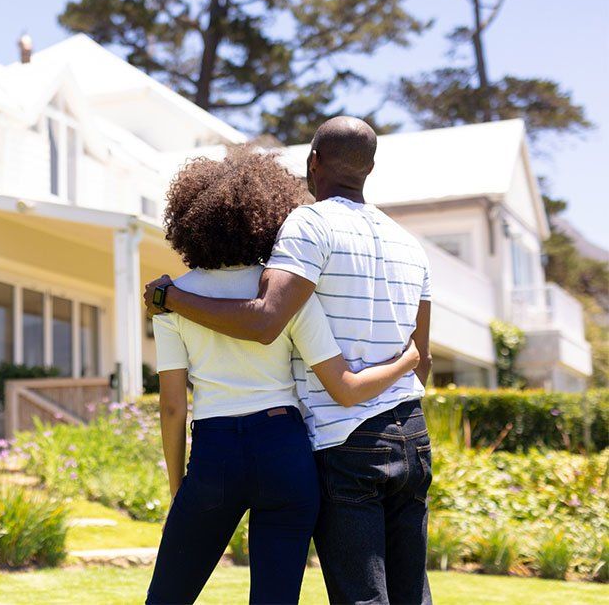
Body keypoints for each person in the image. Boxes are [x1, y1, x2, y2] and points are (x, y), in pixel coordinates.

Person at [145, 117, 434, 605]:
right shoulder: (409, 246)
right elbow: (418, 359)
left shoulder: (303, 238)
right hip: (368, 440)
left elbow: (184, 397)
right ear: (371, 168)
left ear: (313, 162)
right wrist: (408, 360)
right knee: (409, 594)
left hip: (308, 443)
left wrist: (169, 298)